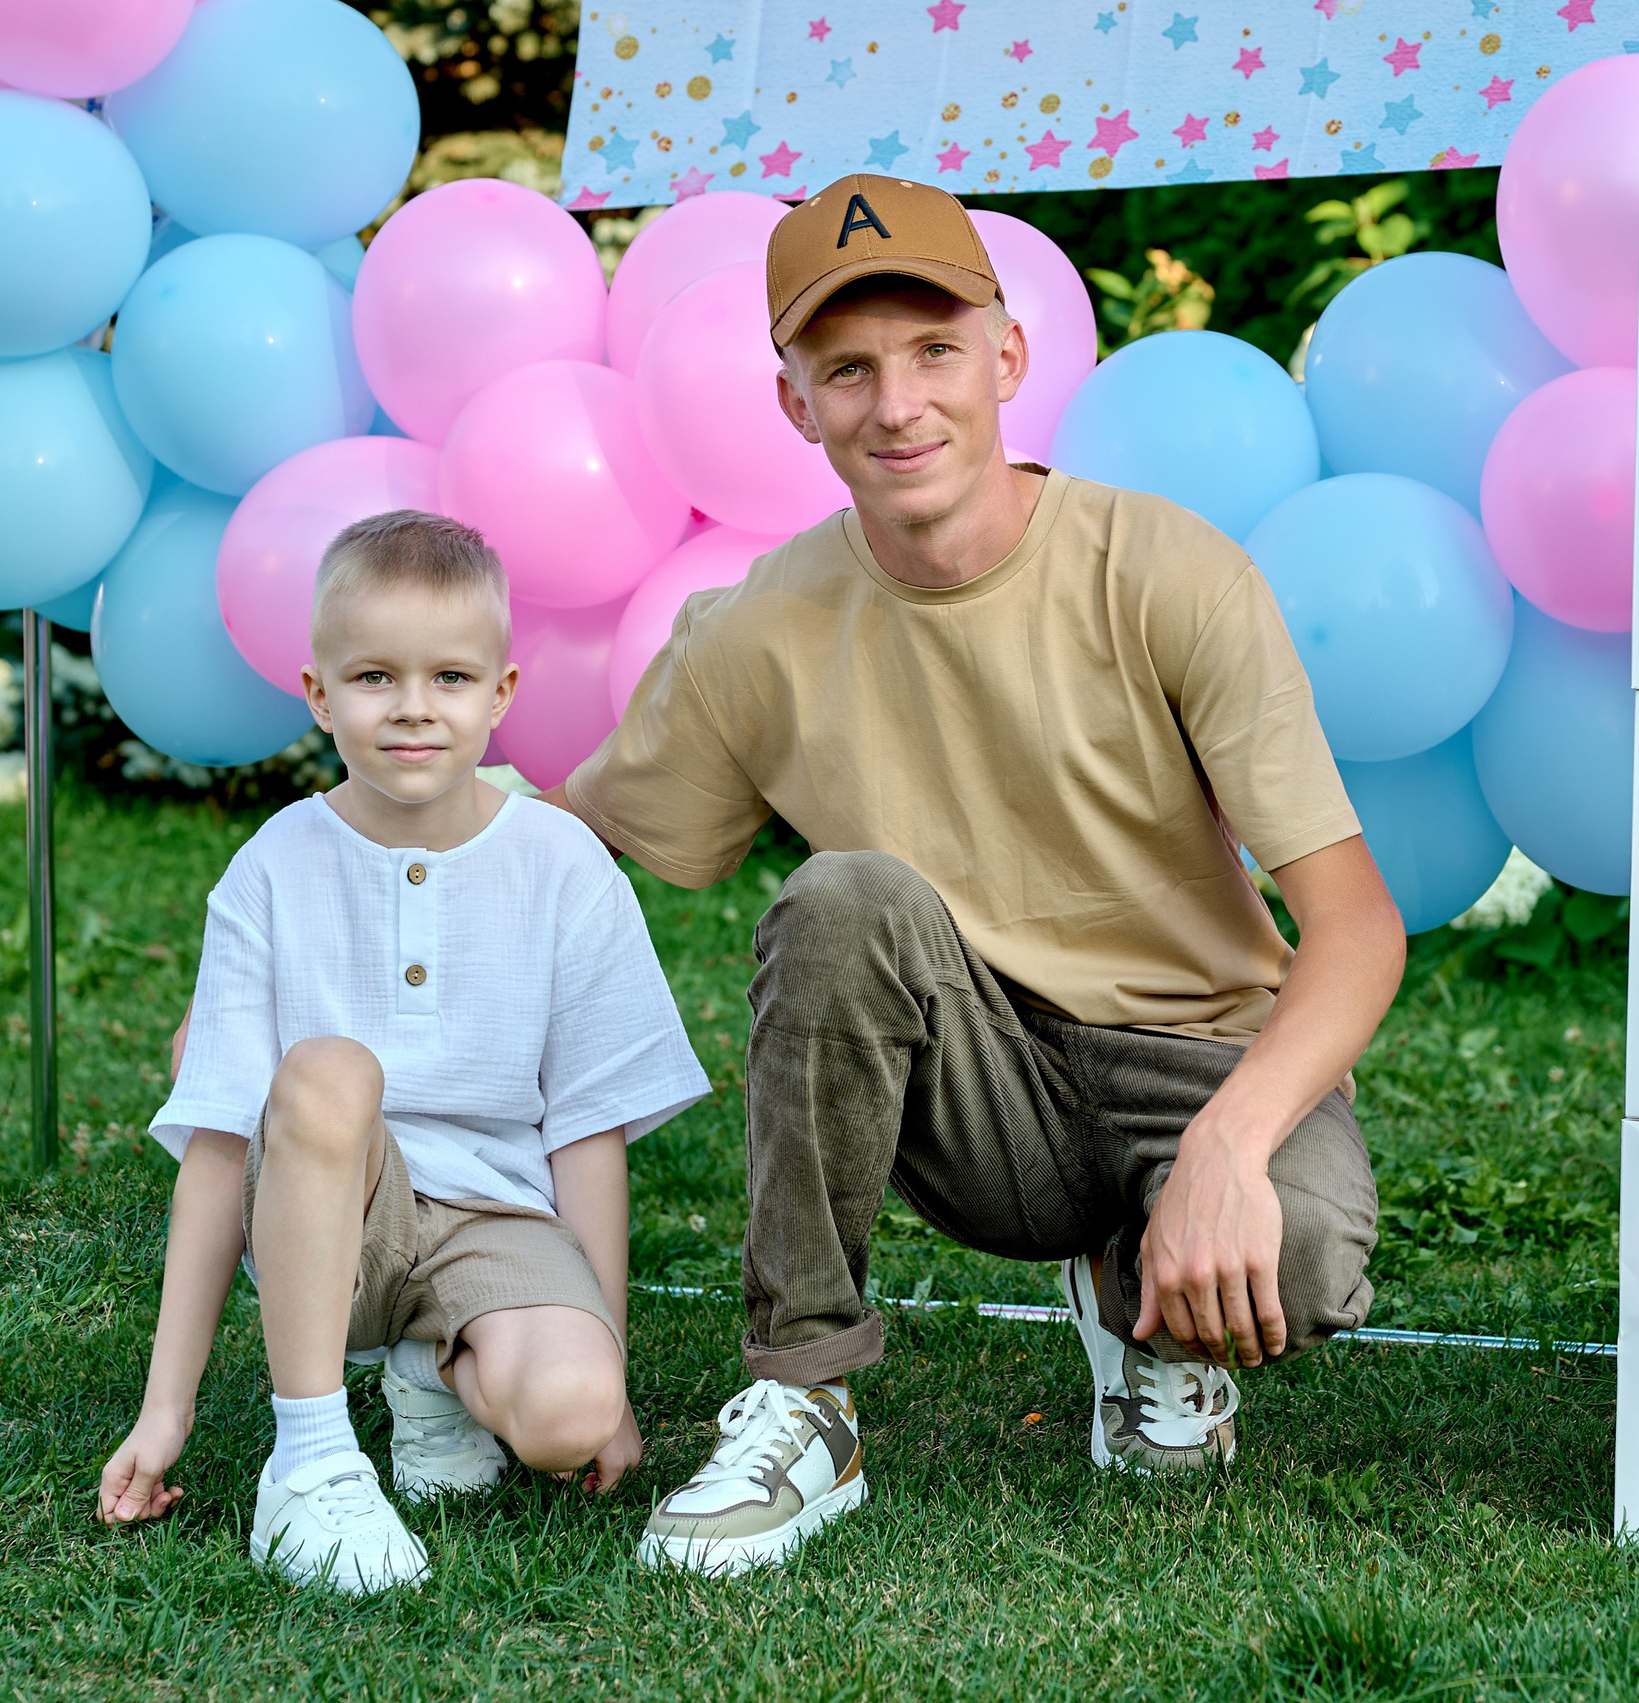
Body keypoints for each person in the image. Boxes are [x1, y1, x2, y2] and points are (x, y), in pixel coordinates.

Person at [550, 174, 1405, 1578]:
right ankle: (803, 1397)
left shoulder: (1167, 572)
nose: (899, 404)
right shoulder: (757, 631)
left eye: (935, 350)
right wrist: (326, 925)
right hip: (978, 1086)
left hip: (1194, 1055)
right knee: (842, 900)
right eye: (848, 369)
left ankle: (1142, 1304)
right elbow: (567, 844)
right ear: (796, 405)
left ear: (1007, 357)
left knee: (1302, 1253)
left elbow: (1359, 929)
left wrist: (1230, 1145)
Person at [97, 511, 708, 1593]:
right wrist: (166, 1406)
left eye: (451, 676)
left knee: (569, 1411)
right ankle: (314, 1454)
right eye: (375, 676)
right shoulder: (273, 866)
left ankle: (431, 1366)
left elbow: (587, 1125)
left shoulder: (564, 865)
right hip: (327, 1223)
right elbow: (220, 1140)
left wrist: (609, 1364)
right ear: (321, 694)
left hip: (494, 1218)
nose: (415, 707)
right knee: (332, 1067)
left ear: (502, 694)